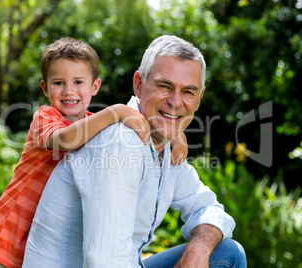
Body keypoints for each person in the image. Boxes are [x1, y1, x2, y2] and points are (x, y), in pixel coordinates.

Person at [23, 35, 247, 267]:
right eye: (164, 86)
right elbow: (104, 260)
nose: (175, 102)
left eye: (188, 92)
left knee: (227, 253)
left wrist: (199, 248)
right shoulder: (119, 143)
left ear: (199, 97)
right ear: (138, 84)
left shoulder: (166, 146)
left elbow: (207, 207)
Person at [0, 37, 189, 268]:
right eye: (58, 83)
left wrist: (173, 133)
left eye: (78, 81)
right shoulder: (45, 117)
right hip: (4, 243)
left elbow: (142, 123)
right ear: (45, 88)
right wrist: (117, 111)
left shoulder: (94, 125)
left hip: (35, 246)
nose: (69, 91)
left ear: (94, 87)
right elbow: (66, 139)